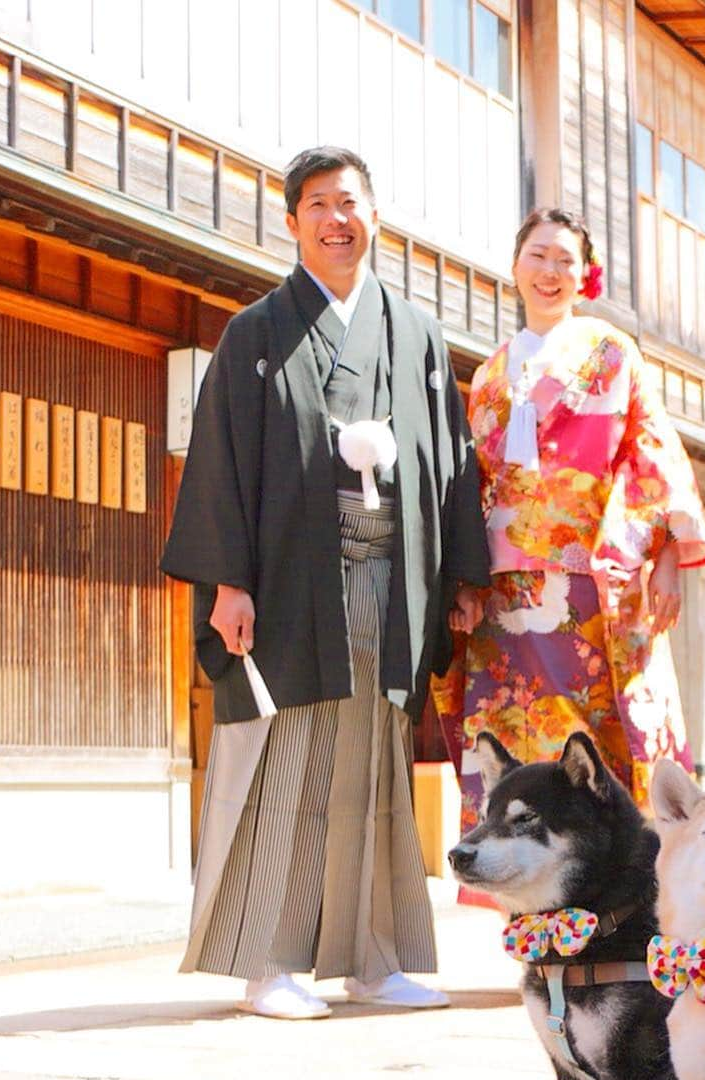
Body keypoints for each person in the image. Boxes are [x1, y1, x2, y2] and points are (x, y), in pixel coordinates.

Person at [161, 146, 489, 1018]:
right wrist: (228, 581)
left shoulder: (415, 333)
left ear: (373, 215)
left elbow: (451, 458)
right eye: (317, 204)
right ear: (293, 221)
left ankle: (373, 959)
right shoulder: (257, 331)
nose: (336, 219)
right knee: (286, 759)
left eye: (349, 203)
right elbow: (222, 459)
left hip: (390, 577)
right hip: (291, 576)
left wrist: (460, 569)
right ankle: (270, 963)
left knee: (374, 767)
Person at [434, 207, 705, 832]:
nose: (551, 271)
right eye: (538, 255)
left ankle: (614, 890)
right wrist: (463, 579)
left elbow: (651, 452)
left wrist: (667, 556)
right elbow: (471, 484)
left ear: (586, 274)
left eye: (566, 259)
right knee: (509, 745)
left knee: (593, 748)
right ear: (514, 267)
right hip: (502, 592)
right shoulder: (486, 376)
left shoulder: (612, 353)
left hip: (593, 586)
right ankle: (530, 901)